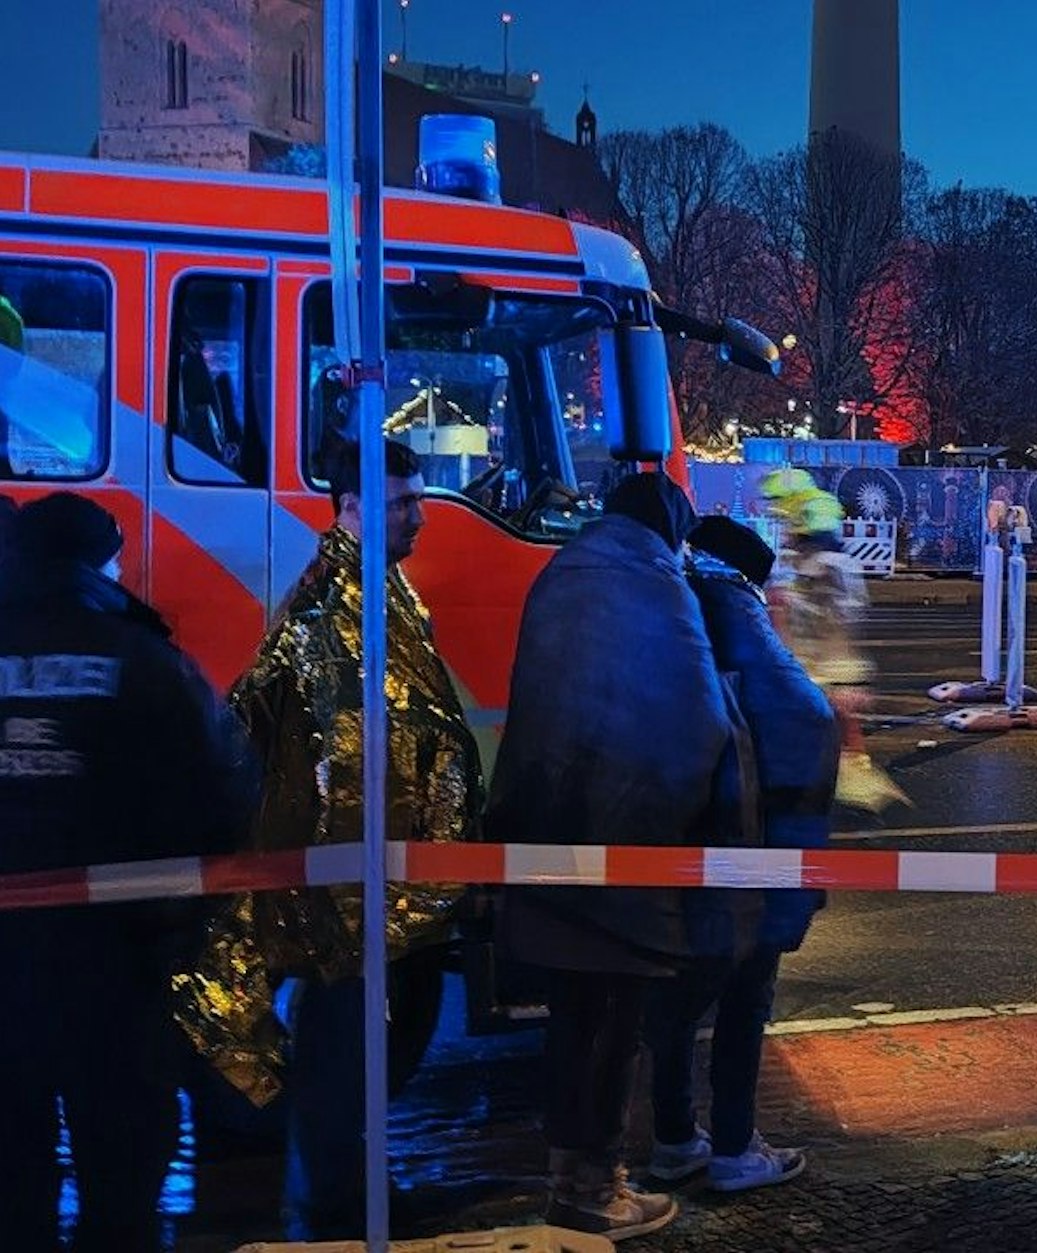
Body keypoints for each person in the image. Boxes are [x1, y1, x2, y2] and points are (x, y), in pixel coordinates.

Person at [174, 439, 483, 1239]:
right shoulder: (346, 603)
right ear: (349, 505)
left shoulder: (365, 588)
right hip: (355, 886)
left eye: (419, 497)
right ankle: (338, 1202)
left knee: (354, 1039)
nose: (420, 514)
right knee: (347, 1041)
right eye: (402, 501)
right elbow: (351, 757)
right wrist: (371, 895)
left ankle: (342, 1186)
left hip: (359, 879)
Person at [484, 473, 763, 1240]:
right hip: (623, 854)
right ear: (668, 525)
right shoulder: (653, 582)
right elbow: (699, 719)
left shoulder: (560, 573)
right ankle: (596, 1189)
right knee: (614, 1026)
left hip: (542, 843)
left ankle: (566, 1180)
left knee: (571, 1021)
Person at [0, 493, 254, 1252]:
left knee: (11, 1185)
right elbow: (224, 790)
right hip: (112, 969)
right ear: (98, 562)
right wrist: (174, 924)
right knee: (121, 1180)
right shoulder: (143, 658)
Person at [642, 517, 840, 1194]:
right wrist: (790, 837)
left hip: (674, 837)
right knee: (744, 992)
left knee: (675, 994)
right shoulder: (729, 606)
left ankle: (673, 1136)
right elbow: (806, 716)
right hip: (741, 842)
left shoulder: (666, 601)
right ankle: (732, 1147)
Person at [763, 469, 905, 811]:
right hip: (823, 668)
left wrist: (787, 603)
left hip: (826, 668)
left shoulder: (826, 565)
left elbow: (835, 617)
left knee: (836, 733)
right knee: (840, 736)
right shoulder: (820, 562)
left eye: (785, 520)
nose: (782, 531)